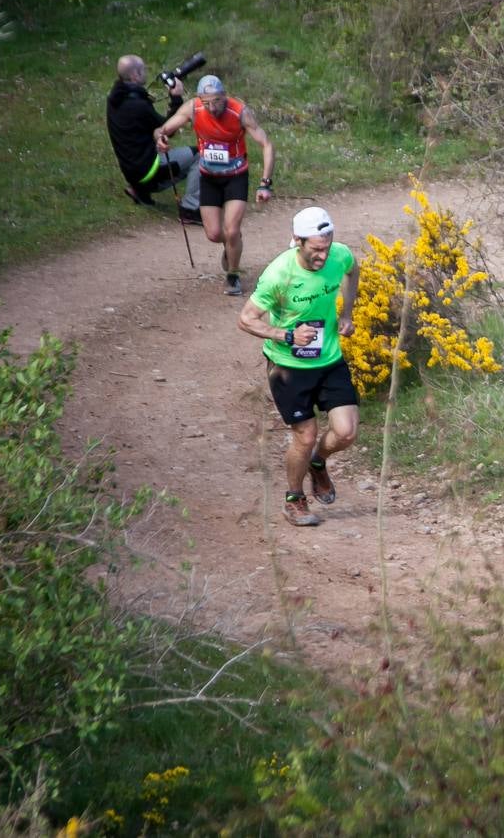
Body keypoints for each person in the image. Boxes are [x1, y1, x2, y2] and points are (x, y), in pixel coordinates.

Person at [237, 207, 359, 527]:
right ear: (298, 240)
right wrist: (287, 335)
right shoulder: (279, 274)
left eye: (326, 247)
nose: (323, 256)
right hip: (288, 367)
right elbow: (246, 319)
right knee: (305, 436)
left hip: (329, 359)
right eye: (316, 249)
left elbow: (352, 269)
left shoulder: (339, 255)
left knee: (346, 432)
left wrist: (347, 313)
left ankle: (318, 462)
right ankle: (294, 499)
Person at [155, 74, 276, 296]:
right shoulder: (193, 108)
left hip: (236, 176)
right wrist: (161, 138)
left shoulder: (239, 112)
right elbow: (163, 129)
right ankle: (232, 243)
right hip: (209, 177)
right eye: (206, 102)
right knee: (213, 234)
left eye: (217, 101)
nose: (212, 107)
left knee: (232, 229)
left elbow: (266, 144)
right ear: (200, 100)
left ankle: (233, 276)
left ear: (224, 96)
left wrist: (265, 183)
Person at [105, 54, 201, 223]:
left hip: (131, 170)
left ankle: (139, 191)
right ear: (134, 75)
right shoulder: (138, 105)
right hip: (148, 172)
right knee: (200, 155)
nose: (147, 72)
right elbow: (168, 130)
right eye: (143, 70)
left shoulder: (115, 99)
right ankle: (190, 209)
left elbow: (146, 128)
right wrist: (176, 98)